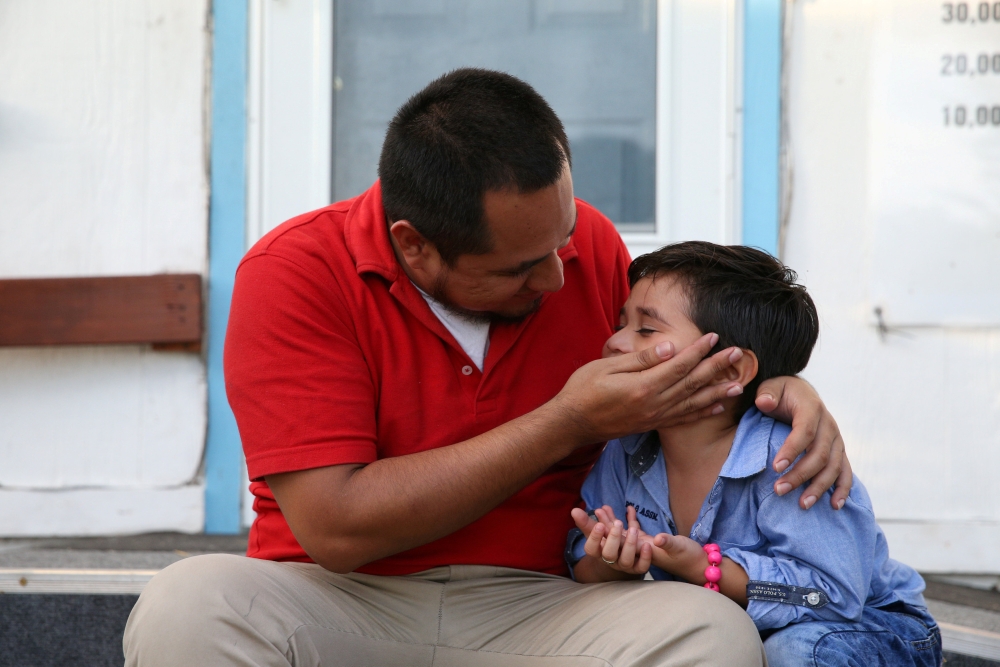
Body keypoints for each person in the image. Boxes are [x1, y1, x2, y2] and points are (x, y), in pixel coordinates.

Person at [125, 69, 853, 666]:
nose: (558, 280)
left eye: (562, 242)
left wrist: (781, 388)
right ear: (416, 248)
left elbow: (689, 358)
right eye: (520, 269)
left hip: (545, 603)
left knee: (709, 634)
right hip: (338, 598)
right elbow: (337, 527)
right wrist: (567, 420)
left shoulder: (585, 248)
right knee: (185, 606)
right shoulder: (295, 274)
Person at [568, 242, 940, 666]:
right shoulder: (628, 446)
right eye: (621, 323)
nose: (615, 341)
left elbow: (830, 596)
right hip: (729, 631)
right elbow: (581, 557)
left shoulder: (789, 460)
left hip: (869, 627)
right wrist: (611, 562)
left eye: (646, 330)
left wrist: (709, 570)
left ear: (729, 371)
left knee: (793, 652)